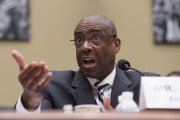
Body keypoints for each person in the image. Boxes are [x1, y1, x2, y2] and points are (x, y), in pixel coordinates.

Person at [12, 15, 159, 113]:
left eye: (95, 38)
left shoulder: (148, 85)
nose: (85, 47)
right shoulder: (53, 85)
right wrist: (30, 100)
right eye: (79, 40)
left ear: (116, 45)